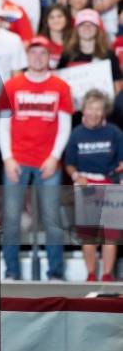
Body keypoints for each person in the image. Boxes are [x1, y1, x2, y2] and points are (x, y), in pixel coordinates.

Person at [0, 36, 73, 280]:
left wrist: (54, 157)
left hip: (48, 163)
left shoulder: (61, 87)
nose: (38, 57)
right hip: (17, 161)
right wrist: (8, 158)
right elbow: (3, 125)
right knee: (11, 219)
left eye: (43, 53)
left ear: (49, 56)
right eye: (34, 52)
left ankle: (56, 272)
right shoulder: (11, 85)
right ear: (27, 56)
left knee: (52, 220)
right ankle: (11, 271)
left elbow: (64, 125)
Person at [65, 89, 123, 282]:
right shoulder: (76, 134)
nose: (94, 113)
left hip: (110, 185)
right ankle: (90, 275)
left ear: (104, 111)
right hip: (86, 185)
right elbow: (69, 162)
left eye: (98, 109)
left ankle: (106, 276)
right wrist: (76, 176)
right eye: (91, 108)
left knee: (110, 235)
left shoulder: (114, 132)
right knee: (89, 236)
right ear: (84, 110)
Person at [58, 9, 122, 83]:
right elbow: (59, 81)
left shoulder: (108, 55)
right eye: (82, 24)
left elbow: (117, 83)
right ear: (77, 29)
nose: (87, 28)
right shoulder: (67, 54)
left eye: (91, 24)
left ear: (97, 29)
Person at [38, 4, 72, 69]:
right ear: (46, 21)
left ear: (66, 19)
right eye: (51, 17)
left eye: (59, 16)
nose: (56, 20)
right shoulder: (39, 42)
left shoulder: (75, 41)